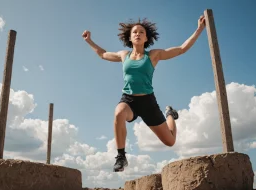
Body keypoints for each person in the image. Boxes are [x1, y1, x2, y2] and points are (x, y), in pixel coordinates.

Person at [82, 15, 206, 172]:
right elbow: (102, 54)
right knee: (119, 112)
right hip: (128, 100)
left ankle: (170, 114)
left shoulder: (153, 55)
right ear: (130, 37)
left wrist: (199, 29)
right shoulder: (123, 55)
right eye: (135, 32)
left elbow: (182, 49)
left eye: (141, 32)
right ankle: (121, 156)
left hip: (148, 102)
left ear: (146, 37)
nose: (138, 34)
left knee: (170, 141)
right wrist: (89, 41)